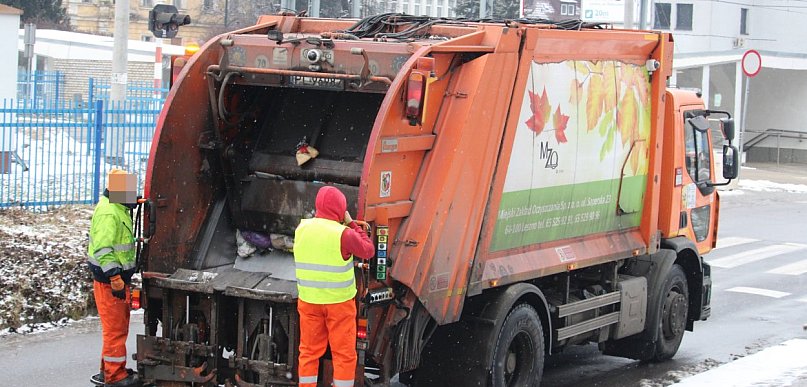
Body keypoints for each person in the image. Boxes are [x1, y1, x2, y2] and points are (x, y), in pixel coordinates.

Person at [294, 186, 375, 387]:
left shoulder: (301, 229)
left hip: (309, 303)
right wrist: (352, 223)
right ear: (340, 208)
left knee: (309, 353)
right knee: (344, 355)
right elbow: (368, 251)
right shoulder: (343, 234)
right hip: (339, 305)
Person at [88, 169, 139, 387]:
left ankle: (108, 370)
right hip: (110, 281)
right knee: (115, 330)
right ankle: (115, 376)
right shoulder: (110, 213)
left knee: (115, 328)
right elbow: (103, 249)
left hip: (114, 280)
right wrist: (115, 277)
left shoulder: (116, 208)